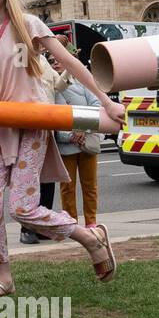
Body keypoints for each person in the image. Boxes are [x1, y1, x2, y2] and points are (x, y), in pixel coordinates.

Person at [0, 0, 126, 302]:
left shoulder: (29, 25)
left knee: (22, 209)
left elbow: (70, 63)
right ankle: (4, 280)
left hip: (32, 125)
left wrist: (105, 102)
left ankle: (88, 238)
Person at [52, 46, 102, 230]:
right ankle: (71, 223)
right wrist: (70, 136)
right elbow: (53, 118)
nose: (55, 62)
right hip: (66, 144)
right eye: (52, 60)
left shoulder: (83, 81)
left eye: (58, 59)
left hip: (86, 142)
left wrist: (82, 129)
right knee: (67, 188)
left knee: (90, 185)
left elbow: (96, 104)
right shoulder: (51, 85)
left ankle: (91, 222)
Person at [19, 54, 61, 245]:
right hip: (31, 124)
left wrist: (67, 66)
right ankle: (27, 228)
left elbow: (59, 85)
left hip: (48, 124)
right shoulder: (21, 55)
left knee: (47, 178)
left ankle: (43, 225)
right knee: (30, 178)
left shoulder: (43, 60)